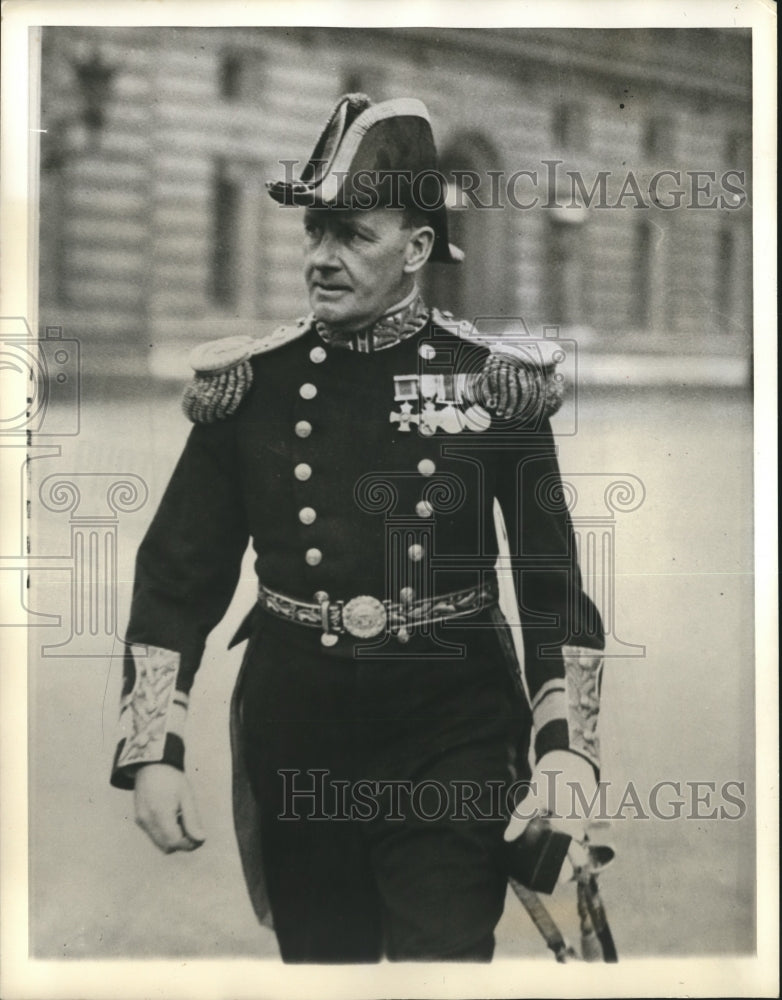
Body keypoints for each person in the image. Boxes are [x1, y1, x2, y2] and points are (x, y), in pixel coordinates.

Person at [110, 93, 605, 963]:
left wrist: (566, 748)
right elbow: (177, 577)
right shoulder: (249, 388)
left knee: (445, 958)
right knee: (325, 967)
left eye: (352, 235)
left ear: (417, 248)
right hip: (298, 728)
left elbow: (549, 581)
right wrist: (153, 746)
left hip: (452, 730)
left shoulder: (493, 387)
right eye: (314, 234)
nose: (322, 259)